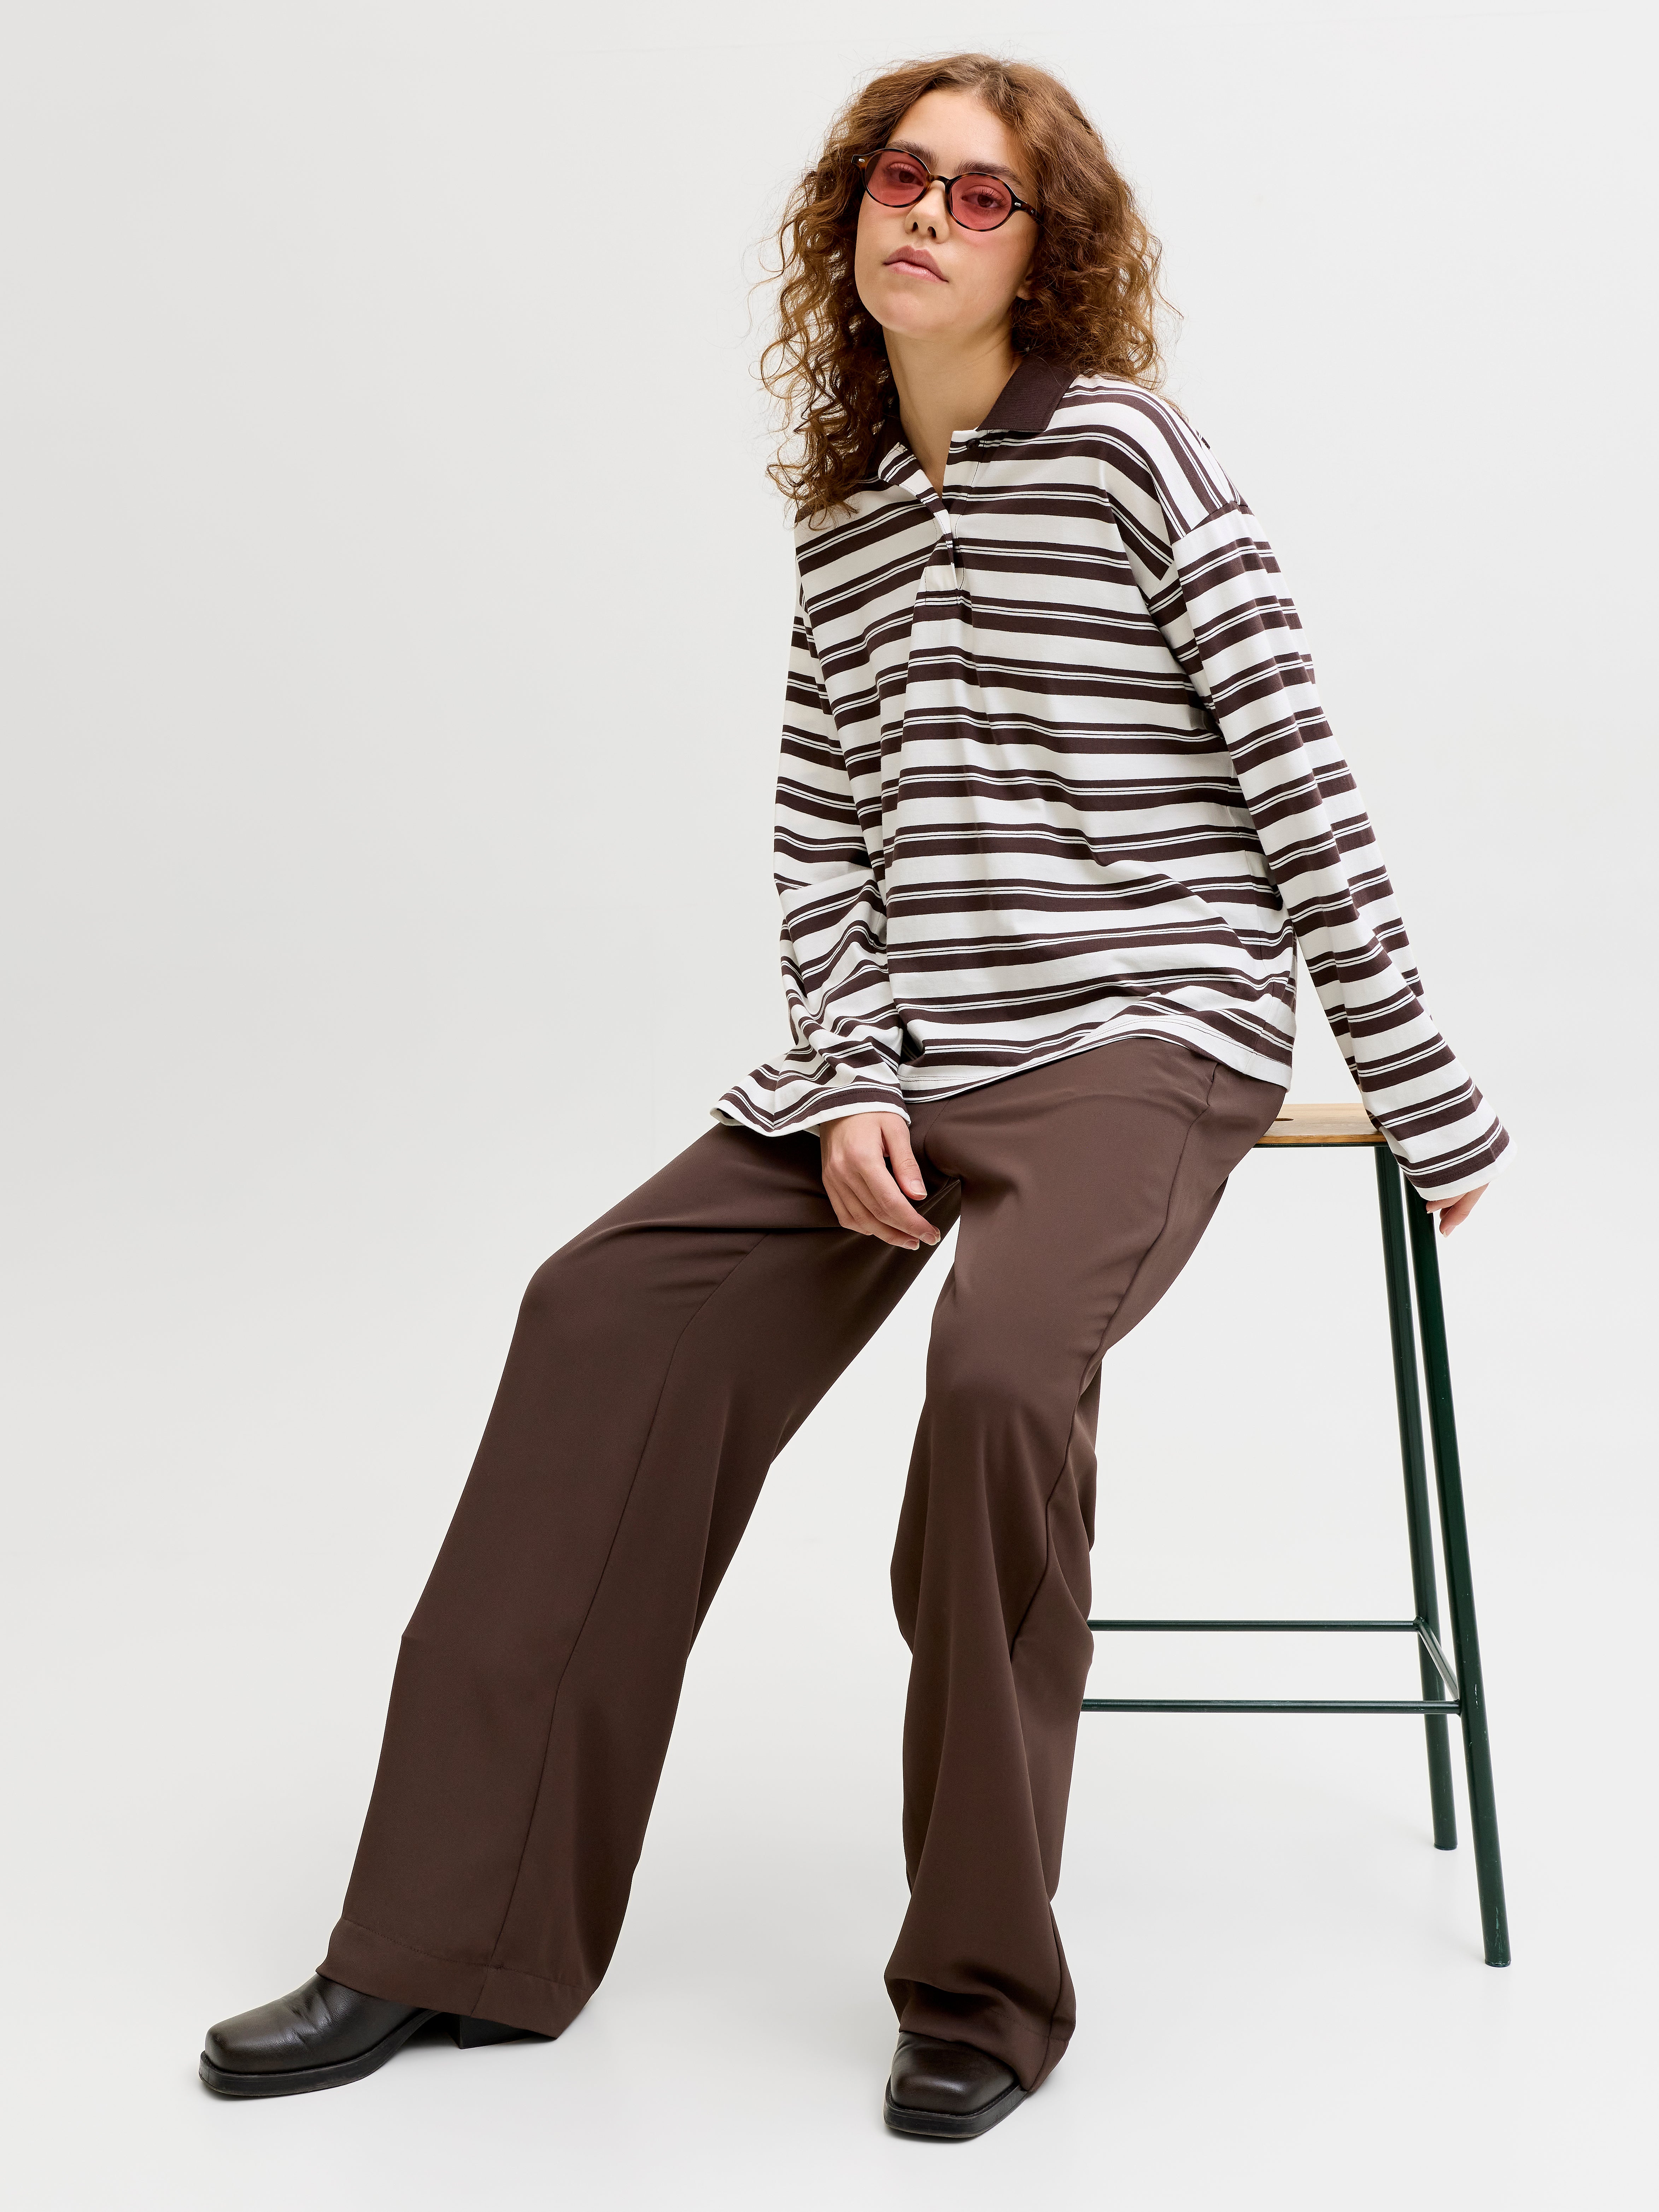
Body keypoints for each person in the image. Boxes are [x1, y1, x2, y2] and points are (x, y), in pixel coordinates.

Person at [198, 51, 1507, 2141]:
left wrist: (1418, 1082)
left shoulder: (1130, 452)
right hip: (912, 1055)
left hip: (1142, 1028)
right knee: (596, 1310)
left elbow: (1295, 765)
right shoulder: (852, 524)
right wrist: (852, 1081)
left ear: (1045, 248)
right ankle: (452, 1944)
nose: (928, 216)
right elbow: (827, 850)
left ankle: (979, 1986)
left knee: (994, 1380)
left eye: (984, 195)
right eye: (903, 178)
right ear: (852, 213)